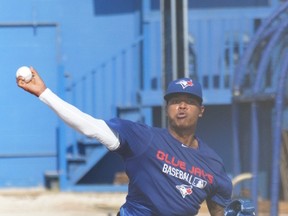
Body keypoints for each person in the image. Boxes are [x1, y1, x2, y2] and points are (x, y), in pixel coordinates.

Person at [17, 67, 232, 216]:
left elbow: (219, 210)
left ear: (201, 110)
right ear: (167, 109)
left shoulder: (213, 165)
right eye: (175, 101)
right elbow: (89, 126)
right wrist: (45, 94)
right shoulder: (144, 139)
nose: (182, 106)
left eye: (189, 102)